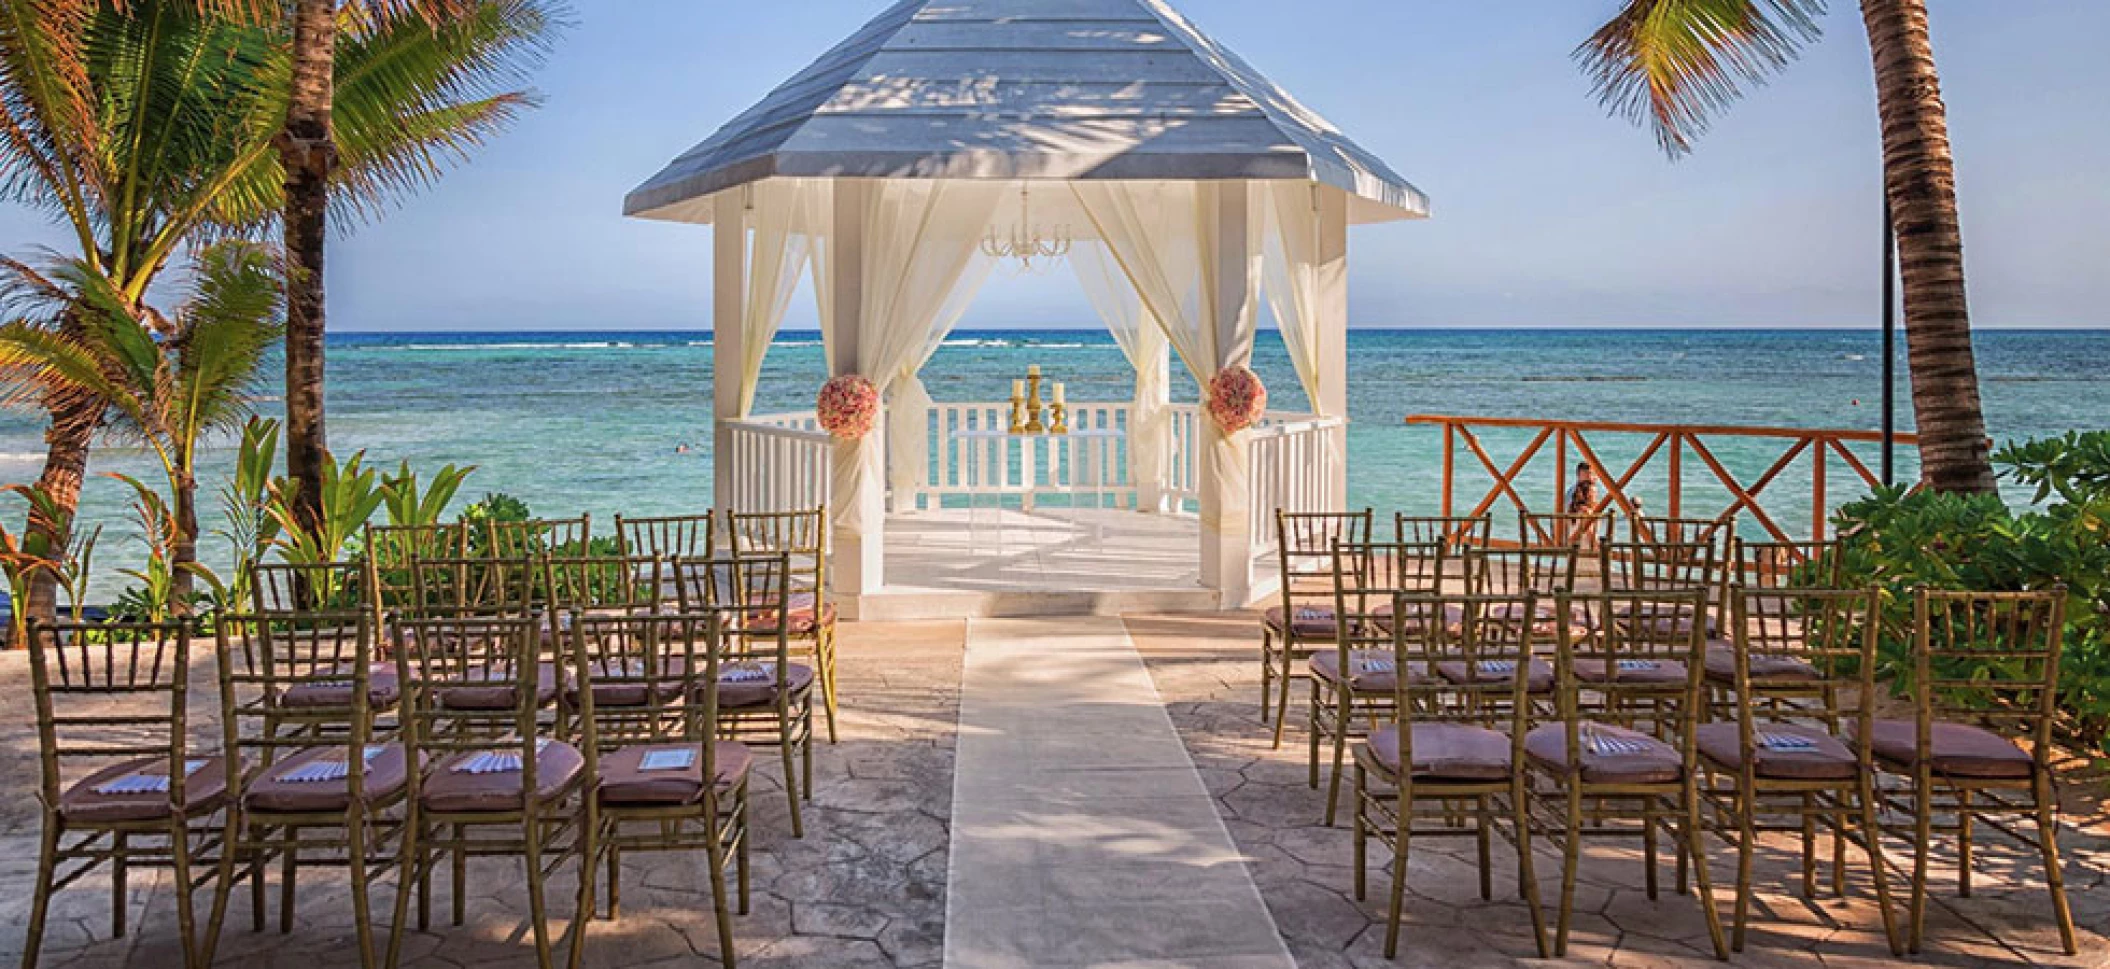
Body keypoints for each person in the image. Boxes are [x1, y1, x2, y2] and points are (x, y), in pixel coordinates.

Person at [1565, 462, 1599, 549]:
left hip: (1575, 547)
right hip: (1585, 547)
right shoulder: (1585, 510)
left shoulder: (1572, 499)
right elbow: (1590, 534)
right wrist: (1598, 546)